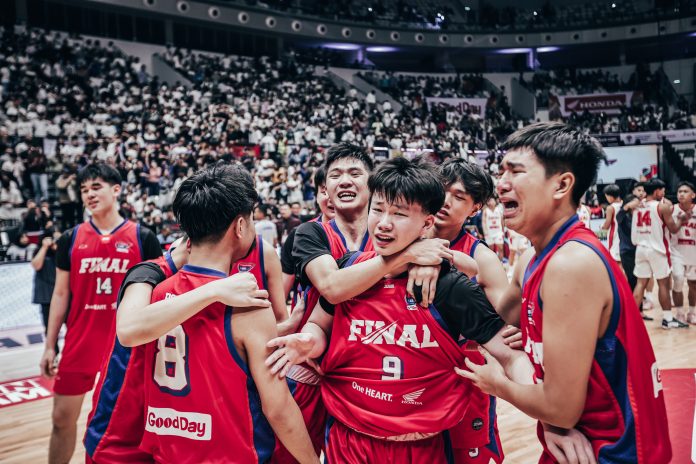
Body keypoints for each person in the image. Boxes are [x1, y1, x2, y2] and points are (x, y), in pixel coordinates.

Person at [267, 157, 532, 463]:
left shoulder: (447, 284)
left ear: (427, 224)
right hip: (350, 438)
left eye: (399, 214)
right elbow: (319, 325)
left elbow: (510, 354)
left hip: (422, 443)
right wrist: (308, 341)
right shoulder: (349, 270)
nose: (384, 223)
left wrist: (546, 412)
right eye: (377, 209)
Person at [460, 122, 672, 463]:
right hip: (580, 442)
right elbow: (500, 311)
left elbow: (560, 410)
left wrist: (496, 383)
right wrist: (439, 260)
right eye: (501, 171)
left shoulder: (570, 264)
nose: (501, 184)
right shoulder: (533, 257)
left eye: (515, 172)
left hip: (613, 451)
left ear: (561, 185)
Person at [136, 164, 319, 463]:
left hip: (168, 453)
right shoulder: (247, 305)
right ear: (240, 226)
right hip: (229, 454)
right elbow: (278, 409)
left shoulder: (158, 293)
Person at [285, 143, 451, 461]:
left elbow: (439, 251)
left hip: (368, 372)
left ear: (372, 183)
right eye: (335, 175)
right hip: (311, 364)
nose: (344, 180)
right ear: (325, 188)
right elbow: (331, 288)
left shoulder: (395, 230)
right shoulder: (309, 232)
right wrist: (406, 256)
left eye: (354, 173)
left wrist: (426, 258)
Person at [39, 163, 162, 464]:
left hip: (125, 344)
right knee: (61, 419)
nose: (89, 194)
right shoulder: (70, 238)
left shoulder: (143, 236)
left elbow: (157, 295)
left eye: (96, 187)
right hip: (81, 340)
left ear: (116, 189)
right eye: (84, 190)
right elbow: (60, 293)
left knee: (129, 430)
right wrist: (49, 343)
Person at [432, 158, 513, 463]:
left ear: (475, 208)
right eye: (443, 190)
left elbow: (508, 329)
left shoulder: (483, 259)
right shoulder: (400, 240)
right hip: (411, 377)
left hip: (462, 376)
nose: (446, 201)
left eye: (459, 196)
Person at [631, 178, 690, 329]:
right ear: (657, 191)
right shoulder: (662, 207)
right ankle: (668, 319)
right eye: (662, 191)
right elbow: (674, 229)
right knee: (663, 284)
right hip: (657, 249)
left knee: (640, 284)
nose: (664, 193)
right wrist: (682, 219)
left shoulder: (637, 206)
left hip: (640, 248)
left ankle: (631, 320)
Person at [31, 228, 61, 353]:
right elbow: (36, 265)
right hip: (46, 296)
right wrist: (44, 247)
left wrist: (57, 249)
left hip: (63, 294)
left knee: (73, 324)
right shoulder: (38, 250)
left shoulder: (61, 252)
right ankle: (53, 352)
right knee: (50, 328)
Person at [670, 181, 696, 324]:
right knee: (678, 280)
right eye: (679, 191)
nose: (681, 194)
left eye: (685, 191)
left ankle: (692, 312)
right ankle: (680, 313)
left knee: (693, 285)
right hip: (676, 252)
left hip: (693, 253)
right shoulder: (671, 209)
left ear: (693, 195)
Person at [601, 184, 622, 265]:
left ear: (610, 196)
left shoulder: (611, 208)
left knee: (616, 263)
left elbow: (607, 224)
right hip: (625, 237)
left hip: (615, 237)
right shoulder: (624, 204)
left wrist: (602, 228)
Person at [482, 197, 505, 261]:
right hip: (489, 232)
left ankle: (501, 263)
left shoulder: (499, 209)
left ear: (495, 202)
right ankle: (492, 264)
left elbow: (502, 221)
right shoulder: (485, 211)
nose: (492, 202)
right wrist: (485, 232)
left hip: (498, 232)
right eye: (490, 201)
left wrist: (503, 231)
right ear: (488, 203)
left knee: (500, 248)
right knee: (490, 250)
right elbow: (483, 222)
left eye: (493, 200)